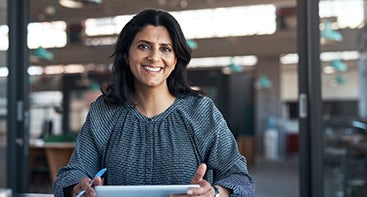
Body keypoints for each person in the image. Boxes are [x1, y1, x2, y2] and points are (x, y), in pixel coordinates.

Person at [53, 8, 255, 197]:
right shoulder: (104, 112)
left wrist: (216, 193)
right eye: (143, 46)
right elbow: (69, 175)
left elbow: (241, 180)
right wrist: (78, 187)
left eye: (165, 49)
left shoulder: (201, 112)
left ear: (175, 60)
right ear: (126, 55)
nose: (154, 57)